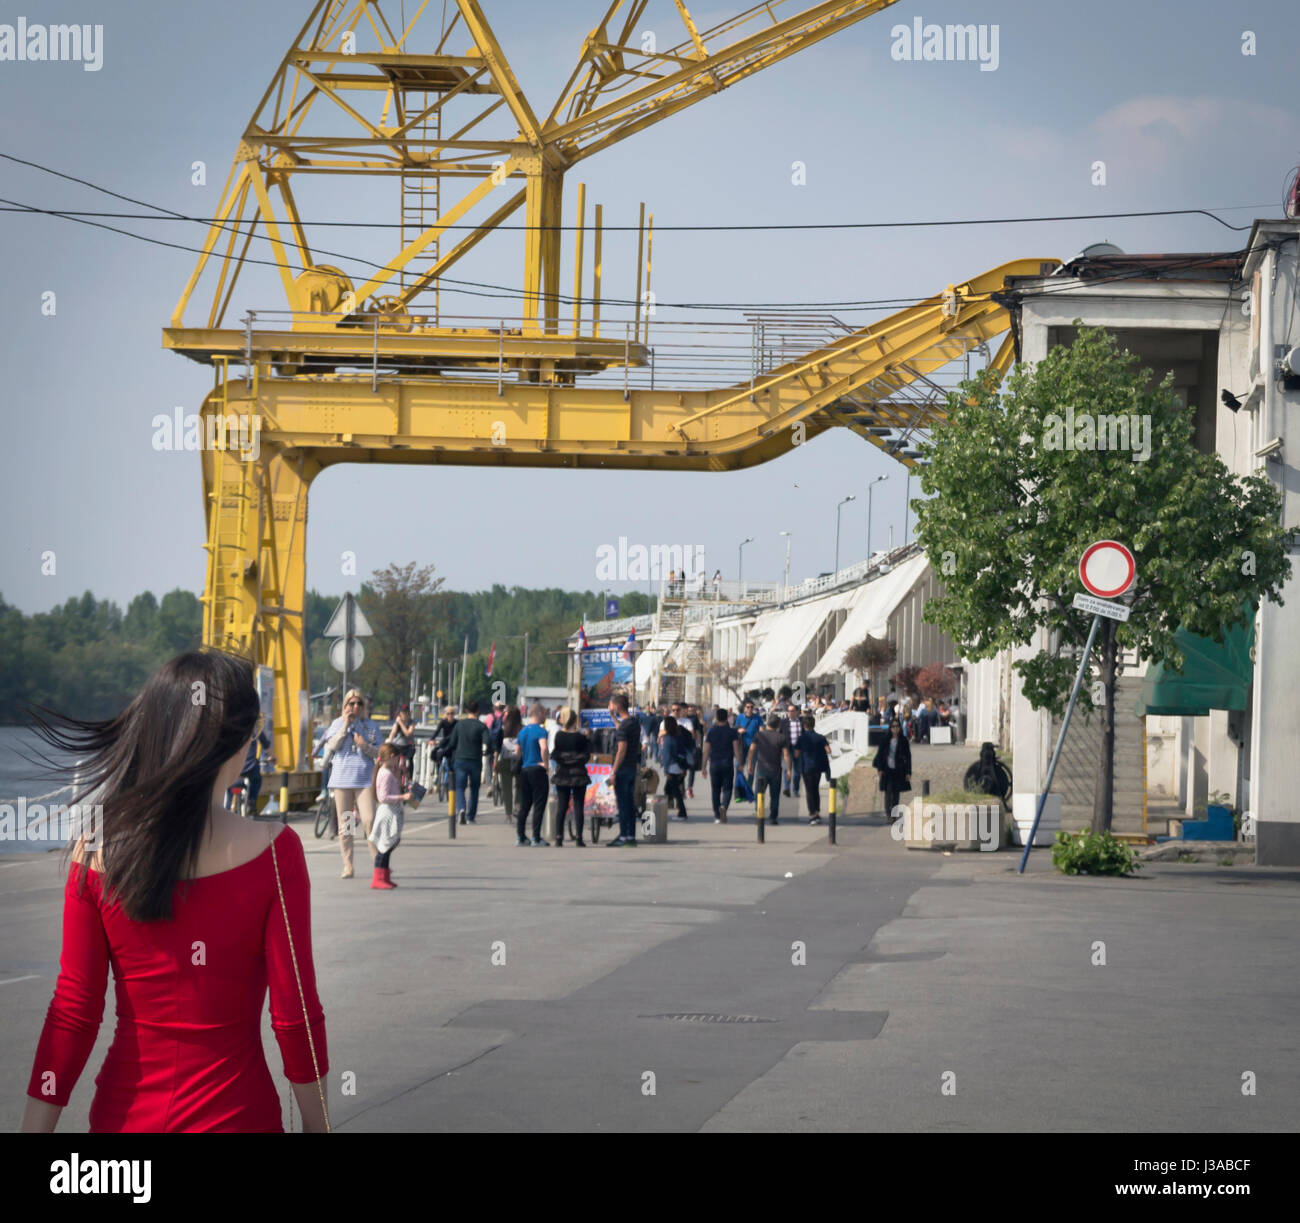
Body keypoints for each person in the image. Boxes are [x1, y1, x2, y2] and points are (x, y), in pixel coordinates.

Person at [22, 650, 329, 1133]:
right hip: (238, 1116)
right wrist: (320, 1126)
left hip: (124, 1122)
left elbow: (74, 1013)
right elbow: (294, 1016)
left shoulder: (94, 851)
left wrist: (33, 1129)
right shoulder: (276, 853)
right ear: (235, 744)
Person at [323, 688, 383, 879]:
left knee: (369, 820)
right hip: (342, 780)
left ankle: (378, 864)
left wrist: (365, 745)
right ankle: (348, 865)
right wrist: (344, 727)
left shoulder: (370, 726)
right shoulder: (337, 723)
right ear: (345, 706)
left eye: (359, 704)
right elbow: (332, 745)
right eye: (351, 704)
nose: (355, 707)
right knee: (346, 824)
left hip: (364, 779)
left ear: (364, 707)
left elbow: (379, 753)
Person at [370, 744, 410, 889]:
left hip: (389, 812)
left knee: (386, 847)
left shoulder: (385, 771)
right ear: (392, 757)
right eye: (398, 759)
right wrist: (403, 796)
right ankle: (378, 878)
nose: (399, 762)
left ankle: (384, 876)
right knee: (384, 847)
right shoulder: (385, 774)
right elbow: (383, 797)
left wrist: (398, 773)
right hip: (388, 813)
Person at [551, 707, 591, 847]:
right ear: (575, 720)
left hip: (563, 773)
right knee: (579, 806)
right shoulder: (581, 737)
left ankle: (558, 837)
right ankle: (579, 838)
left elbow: (555, 754)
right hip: (578, 773)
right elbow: (587, 756)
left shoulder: (558, 736)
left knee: (562, 806)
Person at [448, 700, 491, 824]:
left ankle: (461, 808)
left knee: (460, 787)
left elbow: (452, 743)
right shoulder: (481, 726)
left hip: (460, 760)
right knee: (474, 789)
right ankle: (470, 816)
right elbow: (487, 742)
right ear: (478, 711)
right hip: (475, 761)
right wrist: (486, 751)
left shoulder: (459, 725)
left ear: (466, 711)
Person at [607, 692, 641, 847]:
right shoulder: (633, 723)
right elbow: (622, 729)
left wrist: (614, 771)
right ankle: (630, 836)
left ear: (618, 706)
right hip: (632, 767)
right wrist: (613, 717)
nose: (611, 706)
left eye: (612, 704)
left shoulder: (624, 728)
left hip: (622, 769)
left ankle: (624, 837)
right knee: (630, 803)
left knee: (623, 804)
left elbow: (621, 749)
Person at [747, 713, 792, 825]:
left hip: (761, 768)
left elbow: (752, 750)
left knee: (759, 793)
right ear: (777, 725)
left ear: (767, 723)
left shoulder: (759, 735)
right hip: (776, 769)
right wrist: (789, 769)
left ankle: (760, 815)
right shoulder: (781, 737)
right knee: (775, 795)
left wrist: (749, 764)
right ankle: (773, 817)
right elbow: (786, 755)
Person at [516, 705, 550, 846]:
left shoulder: (522, 732)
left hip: (525, 770)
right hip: (537, 770)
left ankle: (521, 836)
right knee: (539, 804)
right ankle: (536, 837)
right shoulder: (541, 731)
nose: (545, 716)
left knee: (524, 805)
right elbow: (544, 748)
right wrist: (546, 764)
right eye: (545, 713)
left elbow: (517, 752)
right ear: (539, 713)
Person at [702, 706, 742, 823]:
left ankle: (717, 815)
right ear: (727, 718)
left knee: (715, 790)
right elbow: (736, 749)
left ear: (716, 718)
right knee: (727, 788)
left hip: (714, 764)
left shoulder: (711, 732)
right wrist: (740, 763)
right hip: (727, 764)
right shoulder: (732, 732)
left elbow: (706, 750)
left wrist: (703, 766)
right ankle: (724, 806)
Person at [872, 718, 912, 819]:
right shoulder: (885, 740)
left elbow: (908, 757)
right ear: (890, 728)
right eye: (893, 726)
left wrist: (908, 772)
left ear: (900, 728)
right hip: (887, 770)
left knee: (896, 793)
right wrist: (880, 769)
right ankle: (888, 813)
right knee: (888, 792)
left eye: (897, 726)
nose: (895, 728)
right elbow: (880, 755)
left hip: (899, 770)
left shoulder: (903, 741)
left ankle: (894, 813)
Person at [796, 715, 832, 826]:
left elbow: (796, 754)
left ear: (804, 725)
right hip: (818, 767)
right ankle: (817, 812)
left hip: (806, 767)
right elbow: (829, 750)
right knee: (816, 790)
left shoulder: (801, 738)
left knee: (809, 791)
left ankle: (812, 815)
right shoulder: (821, 737)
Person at [232, 720, 274, 810]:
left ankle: (227, 808)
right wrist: (273, 758)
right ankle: (251, 800)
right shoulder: (255, 730)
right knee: (256, 781)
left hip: (234, 767)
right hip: (250, 767)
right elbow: (266, 746)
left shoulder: (233, 729)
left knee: (230, 788)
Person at [658, 715, 689, 821]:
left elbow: (666, 755)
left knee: (674, 790)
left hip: (671, 766)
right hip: (679, 765)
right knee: (670, 789)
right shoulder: (678, 736)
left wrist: (666, 770)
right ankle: (673, 809)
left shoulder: (667, 738)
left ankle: (682, 812)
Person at [495, 706, 523, 817]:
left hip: (505, 761)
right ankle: (518, 806)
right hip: (519, 761)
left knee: (507, 788)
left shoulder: (502, 729)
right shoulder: (522, 729)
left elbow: (497, 748)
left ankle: (508, 813)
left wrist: (495, 762)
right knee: (520, 786)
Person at [386, 705, 415, 780]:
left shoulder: (411, 722)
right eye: (403, 712)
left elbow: (408, 734)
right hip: (398, 745)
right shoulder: (397, 722)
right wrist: (389, 741)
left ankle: (409, 779)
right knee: (395, 760)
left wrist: (401, 723)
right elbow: (393, 732)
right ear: (400, 713)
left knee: (410, 760)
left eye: (406, 712)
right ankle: (394, 776)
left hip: (408, 745)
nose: (405, 714)